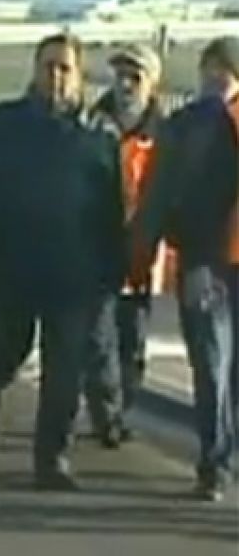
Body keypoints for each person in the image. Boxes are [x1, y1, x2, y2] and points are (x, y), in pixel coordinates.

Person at [0, 33, 125, 491]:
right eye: (48, 66)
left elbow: (112, 210)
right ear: (34, 69)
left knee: (65, 369)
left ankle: (52, 457)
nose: (56, 76)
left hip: (73, 273)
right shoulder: (3, 124)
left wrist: (114, 270)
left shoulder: (99, 135)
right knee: (2, 355)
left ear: (79, 76)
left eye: (65, 68)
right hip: (11, 265)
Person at [132, 36, 239, 502]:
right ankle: (215, 460)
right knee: (213, 364)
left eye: (226, 71)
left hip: (215, 259)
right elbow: (157, 194)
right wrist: (143, 249)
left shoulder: (190, 124)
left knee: (221, 368)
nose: (217, 79)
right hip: (204, 259)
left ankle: (220, 457)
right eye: (212, 69)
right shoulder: (184, 125)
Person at [83, 44, 167, 446]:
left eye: (136, 77)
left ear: (152, 84)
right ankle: (105, 415)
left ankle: (120, 407)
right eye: (121, 76)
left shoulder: (166, 137)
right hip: (96, 248)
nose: (127, 85)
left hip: (141, 254)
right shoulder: (92, 126)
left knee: (132, 342)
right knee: (99, 339)